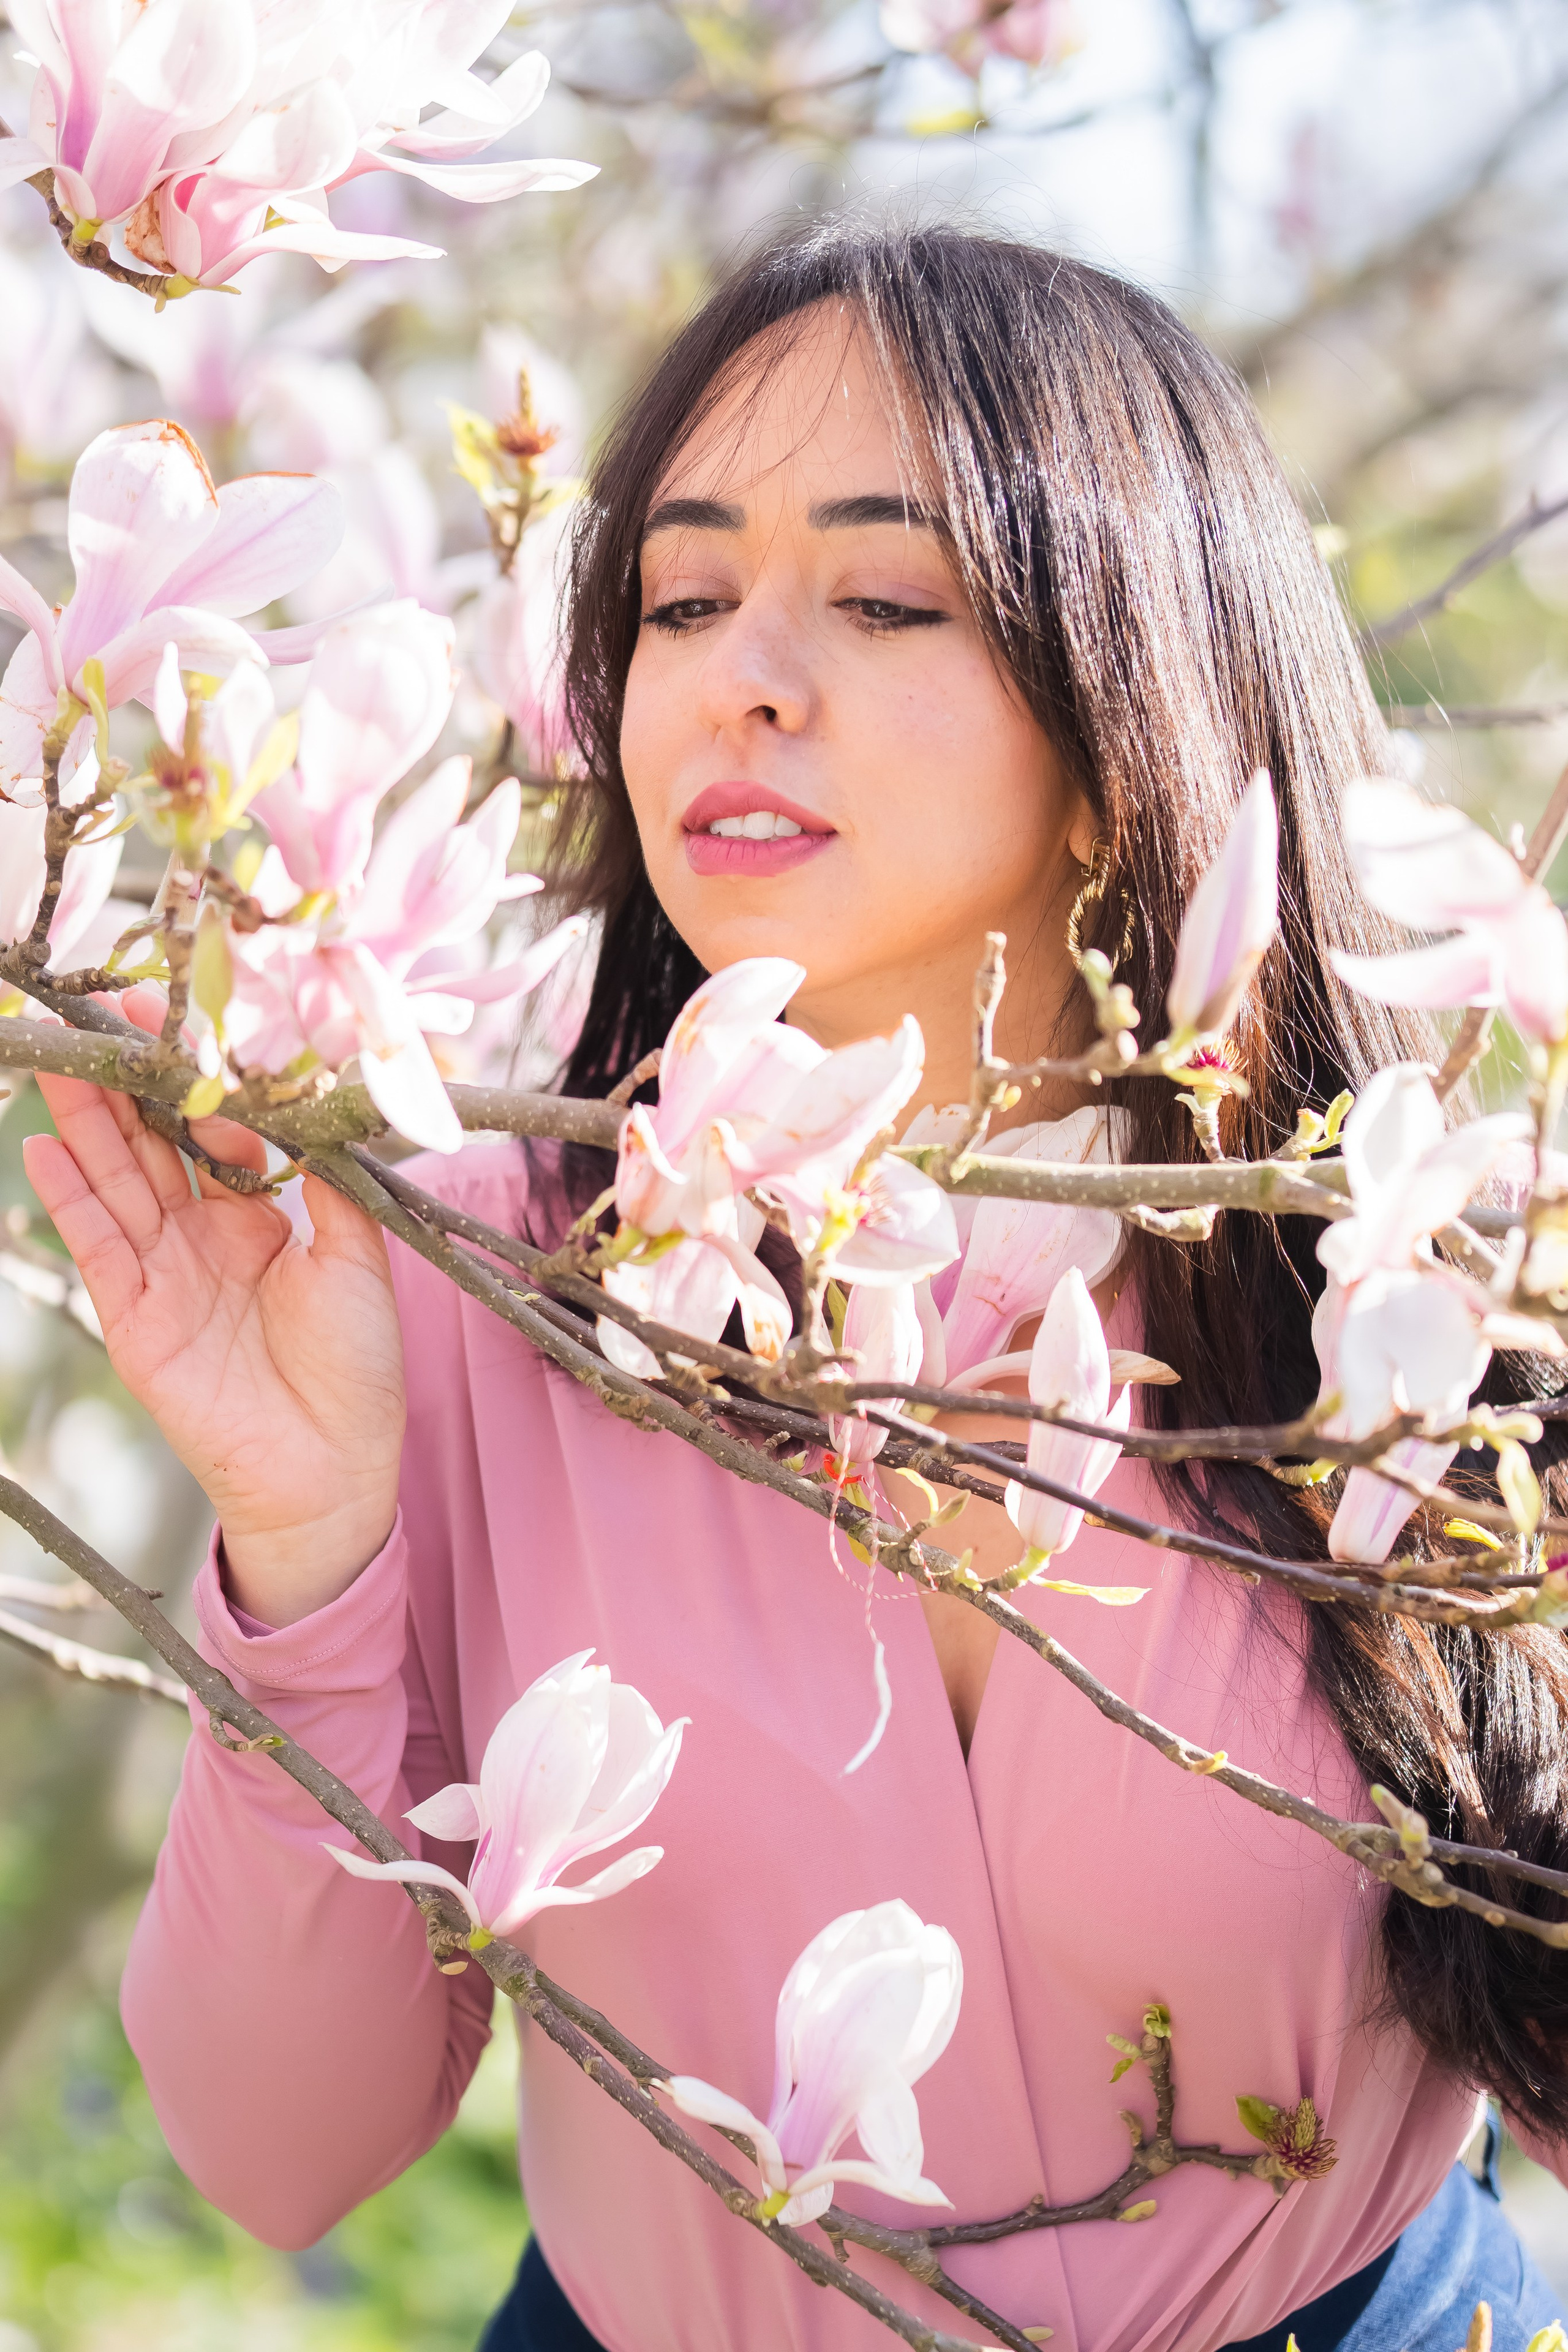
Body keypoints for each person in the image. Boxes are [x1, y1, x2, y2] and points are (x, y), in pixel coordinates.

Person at [23, 223, 1568, 2352]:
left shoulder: (1421, 1291)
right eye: (678, 599)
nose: (744, 669)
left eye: (882, 593)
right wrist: (305, 1549)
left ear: (1137, 687)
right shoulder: (467, 1284)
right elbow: (276, 2155)